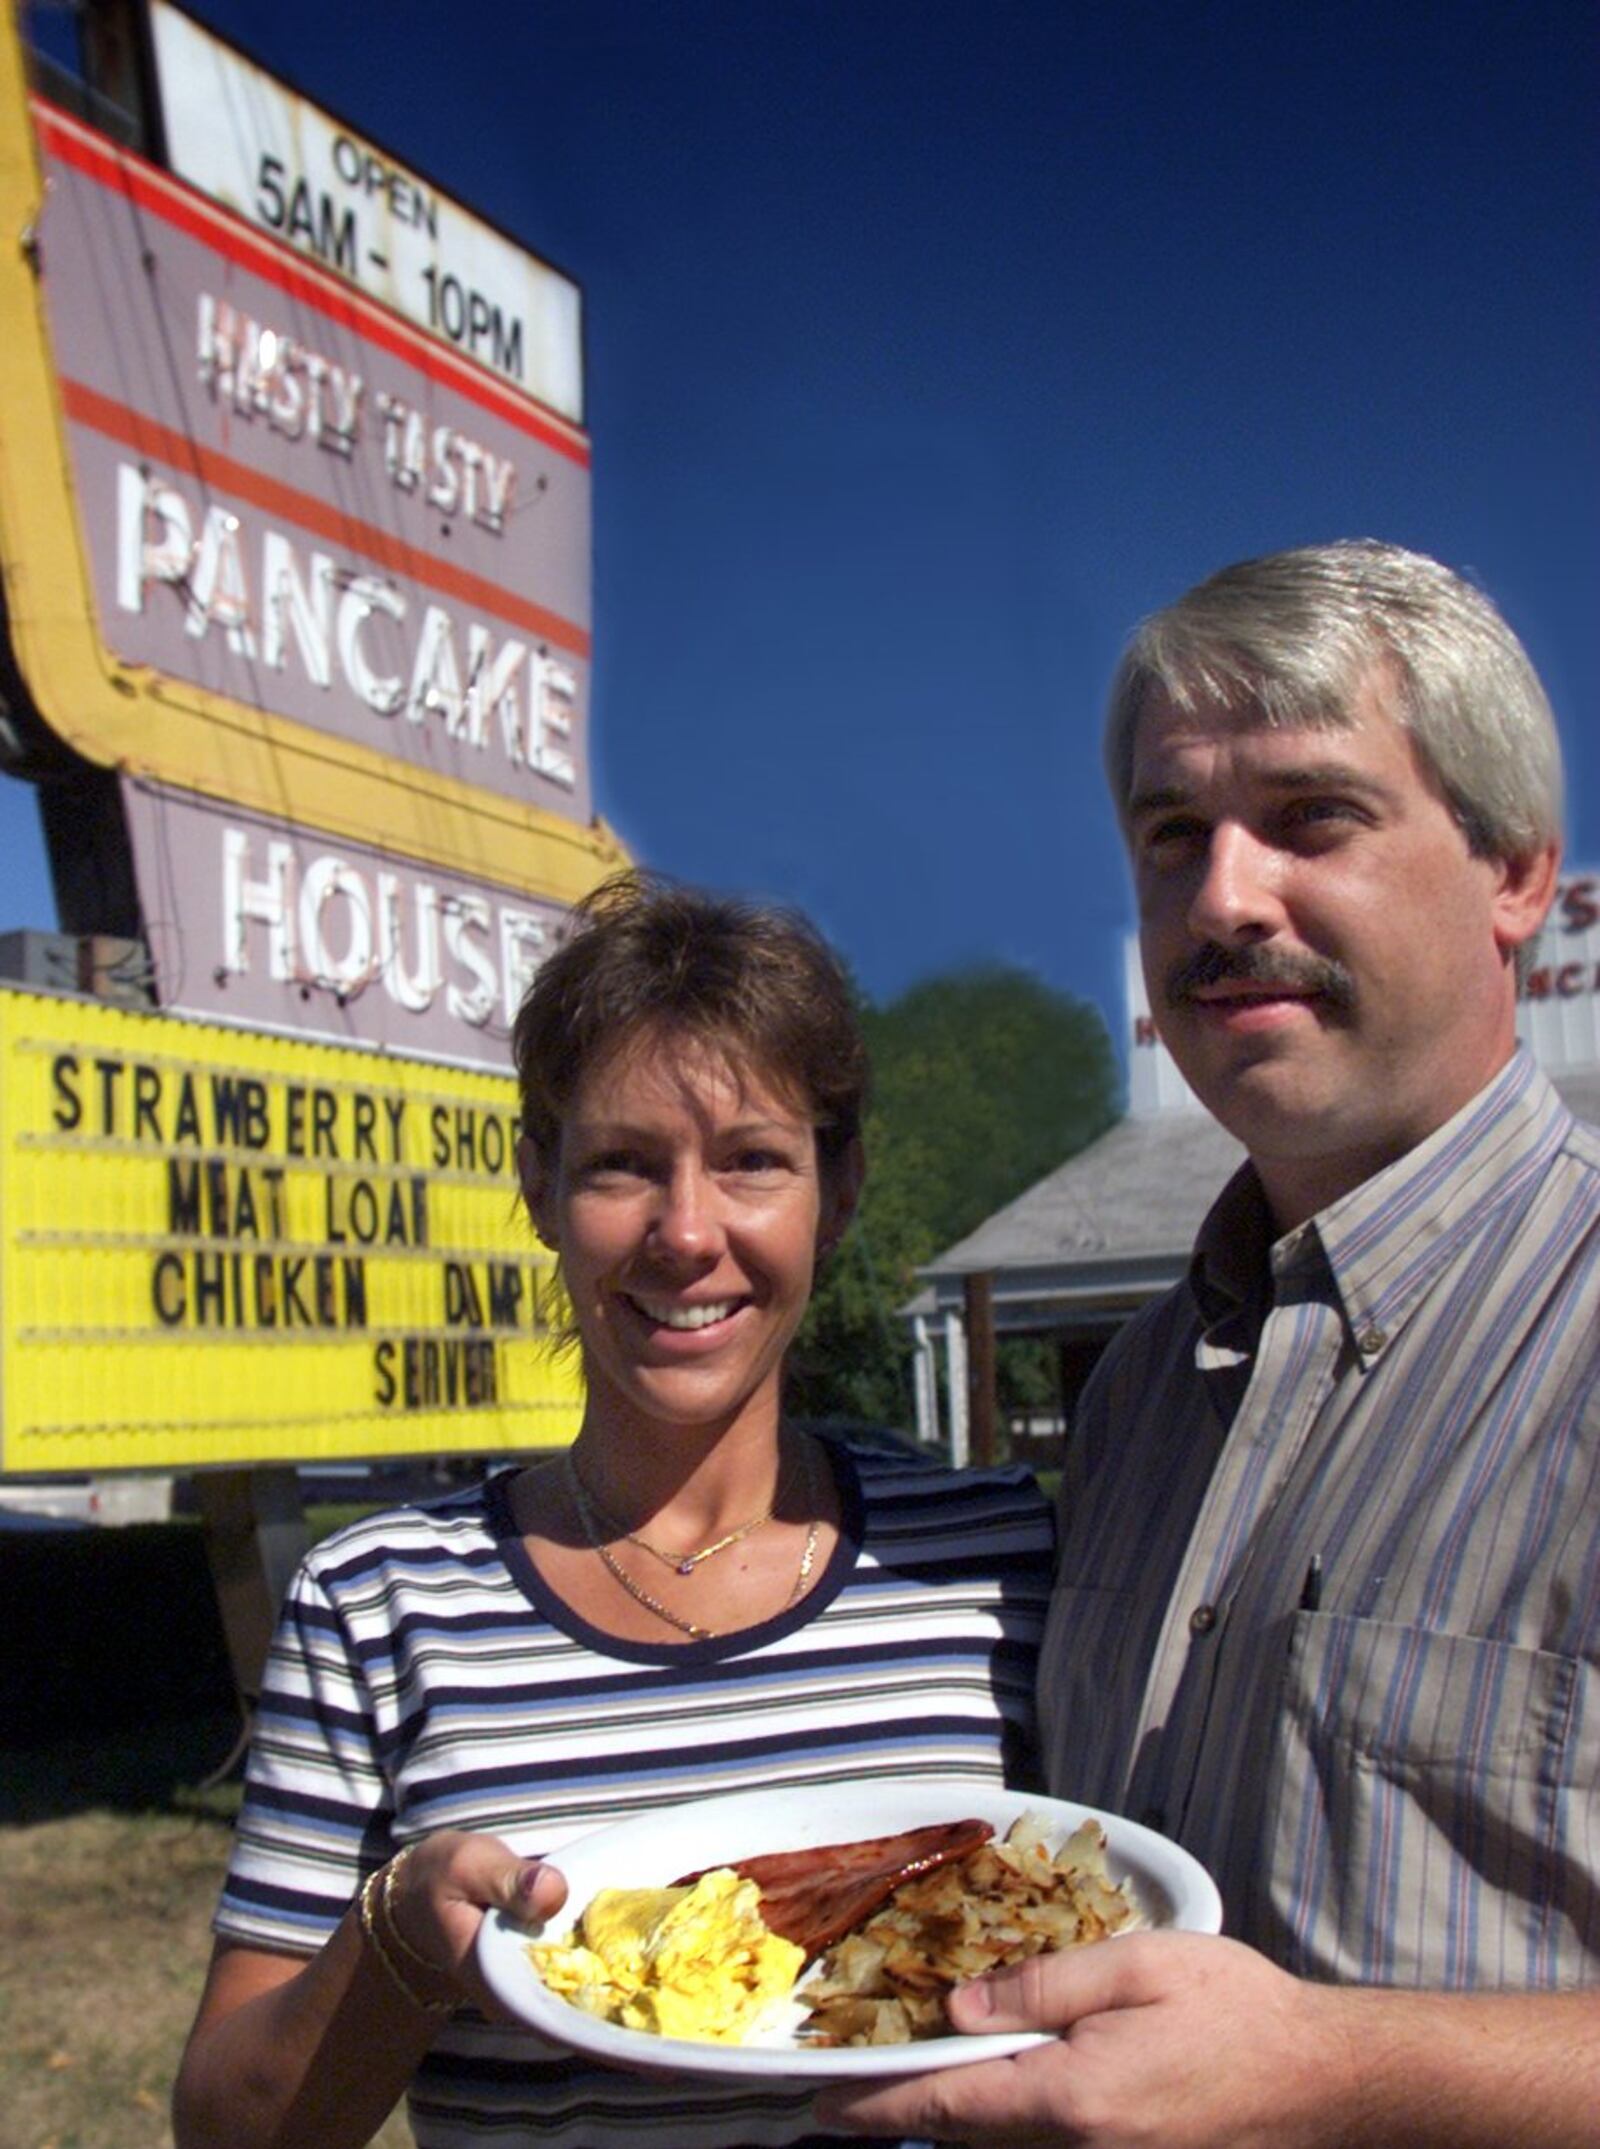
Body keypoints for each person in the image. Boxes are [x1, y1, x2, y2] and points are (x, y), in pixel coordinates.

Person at [825, 540, 1600, 2147]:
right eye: (1173, 834)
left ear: (1518, 871)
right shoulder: (1138, 1395)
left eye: (1314, 817)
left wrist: (1341, 2070)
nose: (1226, 895)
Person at [171, 871, 1054, 2149]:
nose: (686, 1234)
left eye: (753, 1160)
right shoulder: (378, 1608)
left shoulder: (990, 1556)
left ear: (838, 1188)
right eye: (623, 1166)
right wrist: (408, 1942)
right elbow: (229, 2130)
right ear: (537, 1185)